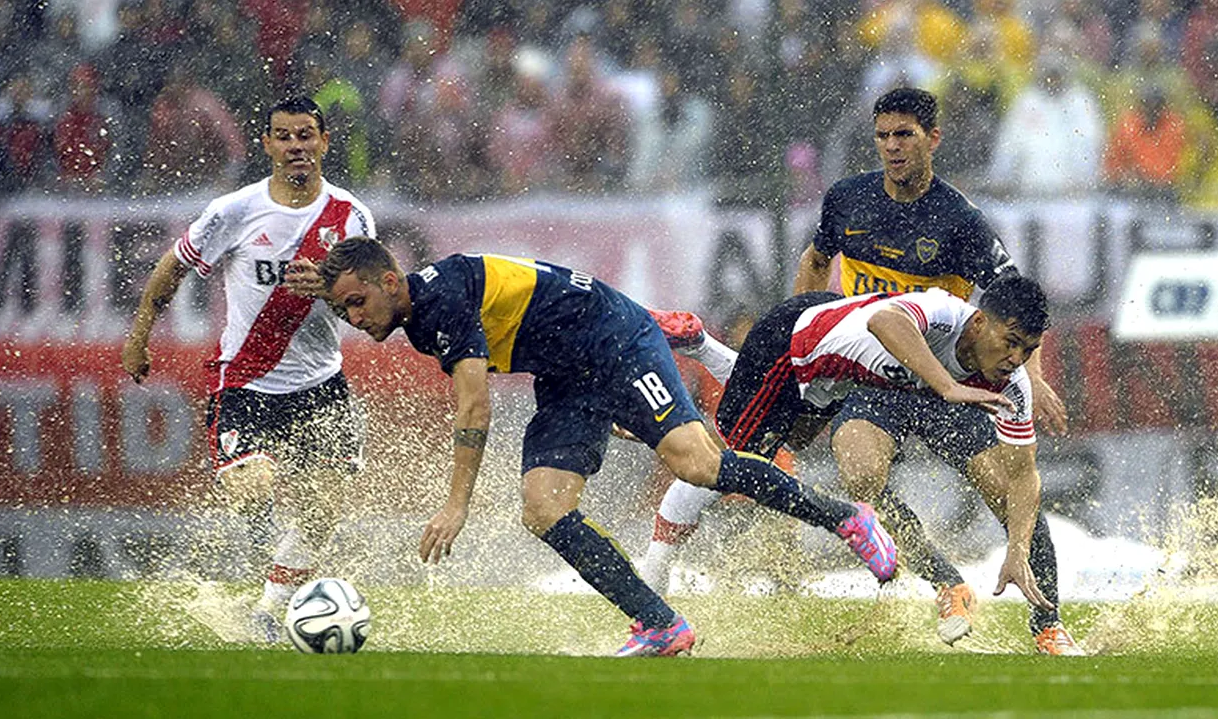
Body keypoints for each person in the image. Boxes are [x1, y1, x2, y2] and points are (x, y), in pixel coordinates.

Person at [285, 237, 897, 657]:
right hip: (567, 376)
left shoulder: (442, 299)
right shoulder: (409, 307)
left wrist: (456, 505)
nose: (353, 319)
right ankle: (661, 623)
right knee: (543, 508)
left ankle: (846, 518)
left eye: (357, 303)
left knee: (698, 463)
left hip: (616, 338)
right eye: (342, 310)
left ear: (391, 281)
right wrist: (328, 288)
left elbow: (474, 407)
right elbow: (368, 287)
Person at [657, 87, 1081, 655]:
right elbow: (814, 260)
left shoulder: (960, 221)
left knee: (1007, 491)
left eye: (904, 135)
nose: (892, 148)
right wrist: (809, 318)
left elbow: (1009, 304)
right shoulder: (847, 200)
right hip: (870, 378)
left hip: (941, 381)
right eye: (882, 136)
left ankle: (1048, 623)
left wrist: (1034, 376)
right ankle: (946, 583)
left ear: (933, 138)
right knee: (860, 479)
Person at [646, 276, 1056, 634]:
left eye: (1027, 349)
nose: (1016, 358)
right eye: (1011, 342)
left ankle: (698, 342)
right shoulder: (943, 313)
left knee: (791, 442)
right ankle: (654, 587)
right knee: (724, 470)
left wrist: (1017, 551)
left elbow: (1023, 475)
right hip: (790, 345)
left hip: (835, 373)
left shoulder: (1013, 384)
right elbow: (885, 320)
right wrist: (948, 386)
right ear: (980, 322)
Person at [121, 96, 376, 642]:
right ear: (267, 145)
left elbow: (369, 303)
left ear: (325, 142)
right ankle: (278, 563)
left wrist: (331, 294)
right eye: (283, 136)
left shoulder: (350, 216)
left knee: (323, 509)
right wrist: (140, 334)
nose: (296, 146)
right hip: (245, 380)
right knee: (253, 486)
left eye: (306, 135)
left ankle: (268, 610)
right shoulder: (234, 210)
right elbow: (173, 268)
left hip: (321, 382)